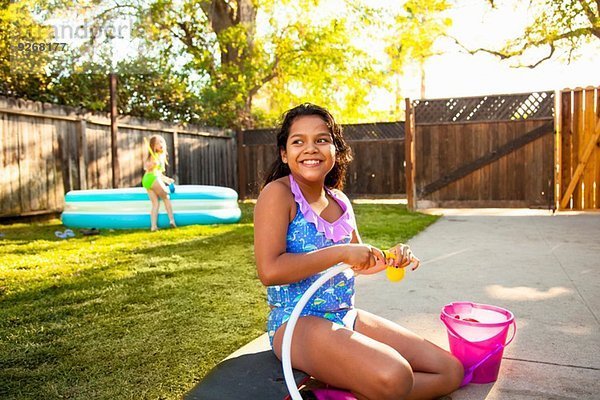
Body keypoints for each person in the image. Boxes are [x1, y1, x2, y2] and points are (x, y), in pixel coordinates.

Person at [253, 103, 463, 400]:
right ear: (284, 154)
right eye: (298, 141)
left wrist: (392, 257)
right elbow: (270, 271)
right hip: (295, 323)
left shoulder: (339, 200)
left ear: (335, 149)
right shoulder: (278, 194)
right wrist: (341, 253)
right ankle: (358, 387)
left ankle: (337, 390)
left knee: (450, 371)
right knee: (395, 375)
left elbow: (358, 263)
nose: (310, 148)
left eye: (322, 140)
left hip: (344, 315)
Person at [142, 134, 176, 231]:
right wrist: (152, 165)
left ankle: (153, 226)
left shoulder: (159, 156)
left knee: (155, 203)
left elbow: (159, 174)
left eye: (161, 141)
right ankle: (172, 220)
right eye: (157, 143)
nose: (160, 144)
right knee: (166, 197)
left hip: (147, 180)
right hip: (152, 178)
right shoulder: (155, 157)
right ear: (153, 146)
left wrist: (167, 180)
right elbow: (147, 167)